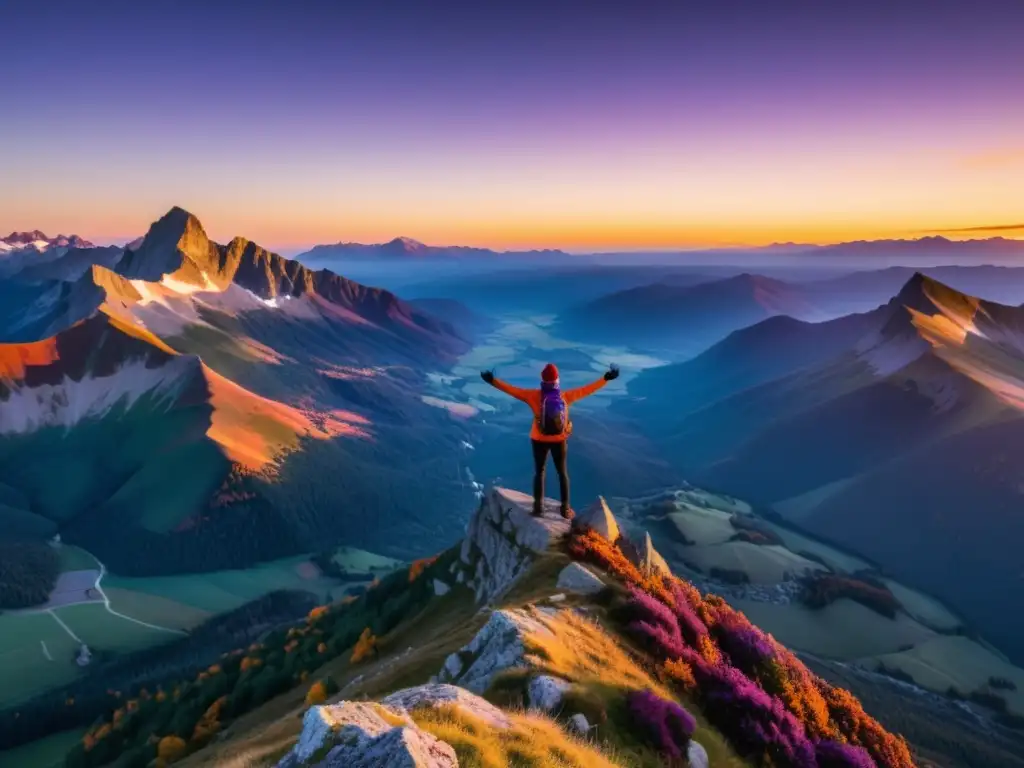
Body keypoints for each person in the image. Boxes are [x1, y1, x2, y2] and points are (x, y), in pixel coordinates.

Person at [481, 362, 620, 518]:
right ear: (557, 380)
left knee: (539, 473)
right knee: (562, 473)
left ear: (542, 380)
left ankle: (538, 508)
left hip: (538, 439)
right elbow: (587, 389)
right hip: (559, 440)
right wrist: (605, 378)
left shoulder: (533, 396)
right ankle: (565, 509)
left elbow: (512, 390)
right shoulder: (565, 397)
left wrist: (492, 381)